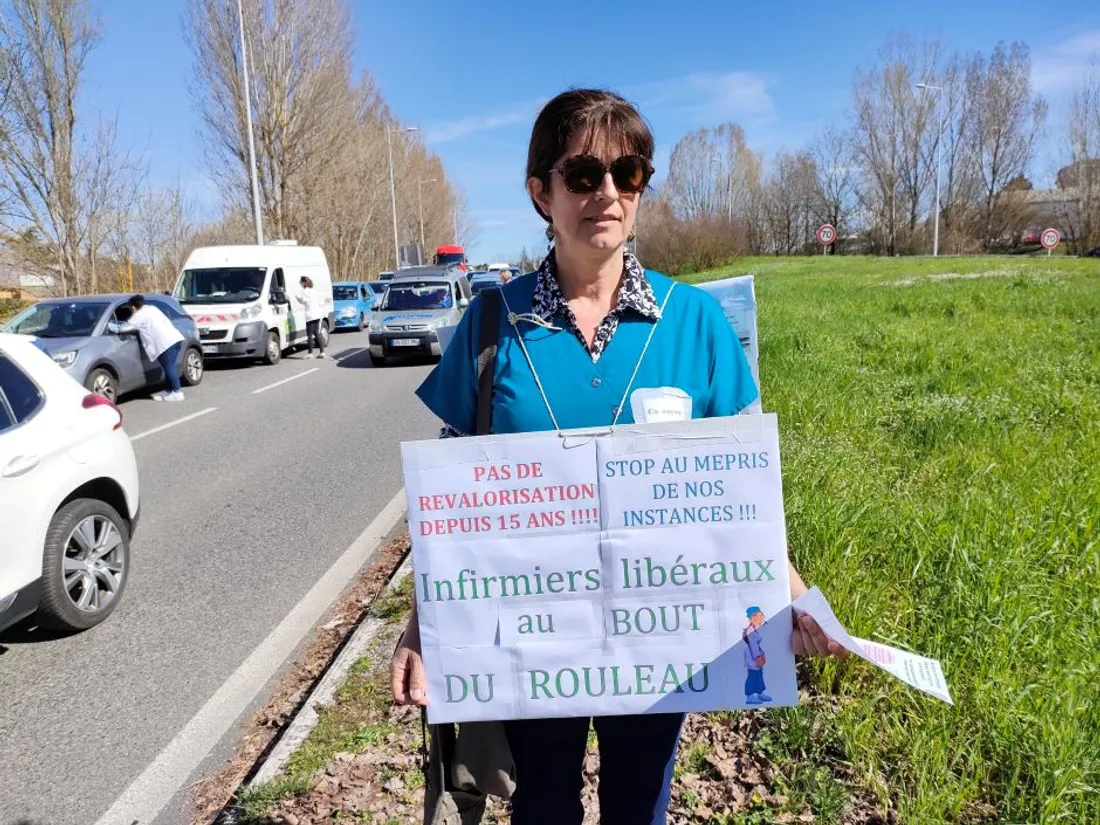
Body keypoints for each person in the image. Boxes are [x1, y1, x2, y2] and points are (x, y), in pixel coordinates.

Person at [390, 88, 847, 825]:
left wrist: (792, 589)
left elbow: (745, 495)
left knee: (641, 801)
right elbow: (449, 507)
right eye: (582, 175)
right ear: (541, 192)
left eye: (627, 173)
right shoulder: (490, 325)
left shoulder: (693, 321)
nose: (607, 192)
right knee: (542, 803)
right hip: (531, 631)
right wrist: (422, 624)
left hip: (661, 629)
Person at [117, 294, 186, 402]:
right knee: (169, 366)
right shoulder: (151, 308)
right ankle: (169, 390)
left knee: (169, 367)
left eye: (130, 308)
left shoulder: (139, 314)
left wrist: (116, 326)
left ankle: (177, 392)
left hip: (165, 343)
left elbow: (125, 328)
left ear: (133, 307)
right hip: (175, 339)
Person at [295, 276, 326, 359]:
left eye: (300, 282)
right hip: (317, 314)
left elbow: (304, 301)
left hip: (310, 315)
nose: (300, 284)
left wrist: (298, 298)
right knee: (317, 333)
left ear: (304, 282)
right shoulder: (313, 290)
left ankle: (310, 353)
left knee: (309, 334)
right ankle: (322, 352)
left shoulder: (305, 291)